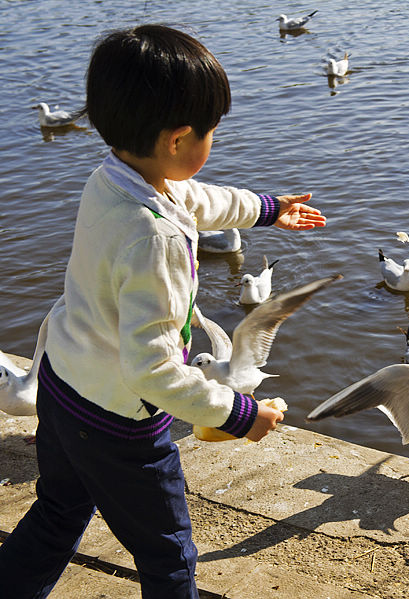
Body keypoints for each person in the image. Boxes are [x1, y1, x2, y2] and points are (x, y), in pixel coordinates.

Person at [0, 25, 326, 598]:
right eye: (211, 134)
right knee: (168, 555)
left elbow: (199, 197)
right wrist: (240, 414)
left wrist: (266, 209)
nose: (212, 144)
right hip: (118, 426)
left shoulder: (113, 179)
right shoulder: (158, 241)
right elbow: (152, 371)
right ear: (179, 140)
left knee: (56, 514)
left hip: (62, 385)